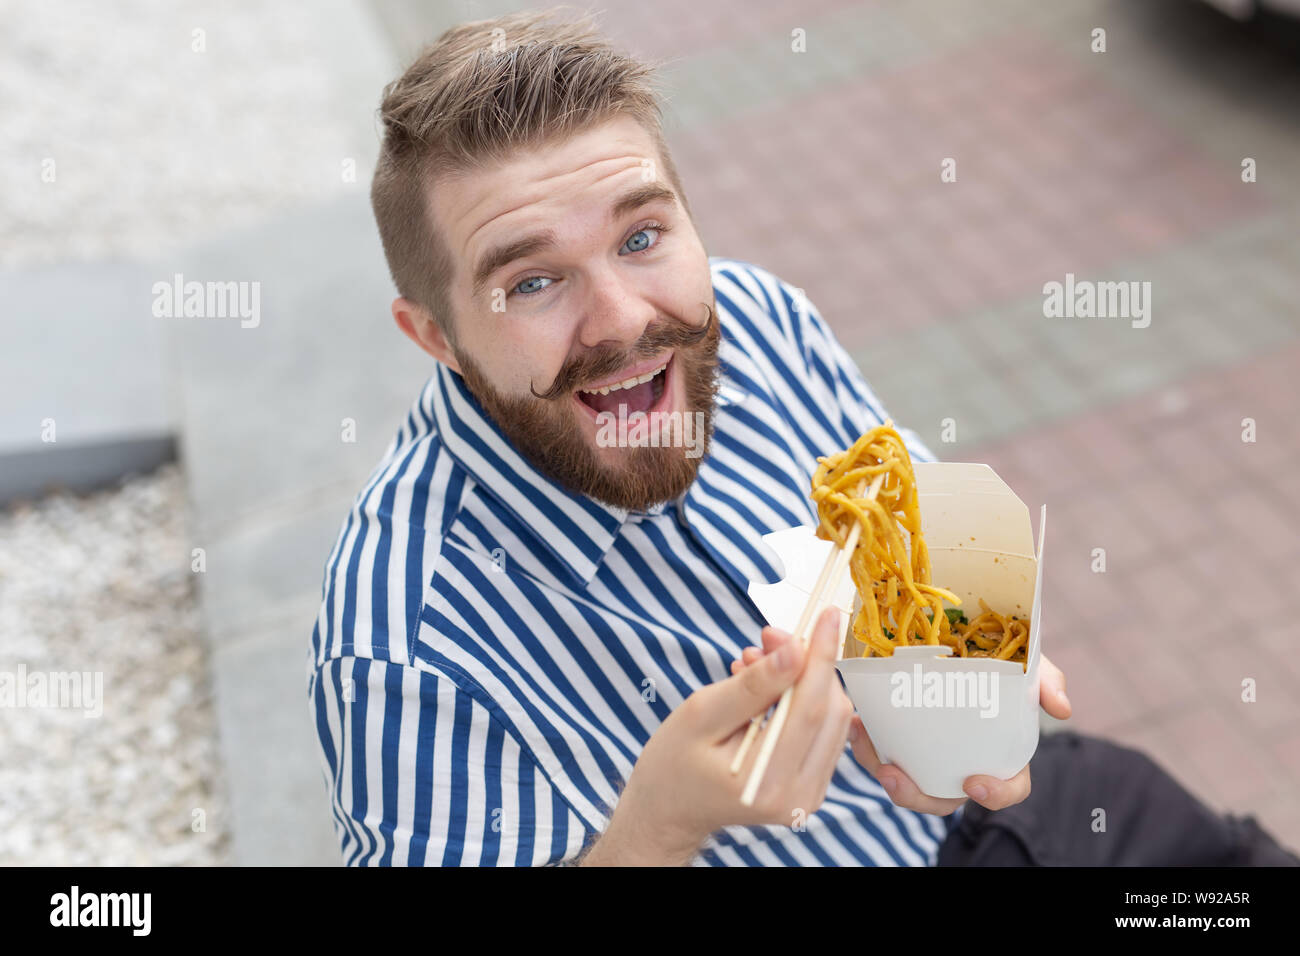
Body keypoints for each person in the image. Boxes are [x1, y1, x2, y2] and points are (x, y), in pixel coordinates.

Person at [307, 8, 1298, 867]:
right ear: (432, 334)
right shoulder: (400, 644)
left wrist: (967, 655)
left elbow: (902, 494)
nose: (620, 319)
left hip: (1048, 810)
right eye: (532, 280)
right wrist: (654, 830)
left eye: (642, 235)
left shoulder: (755, 314)